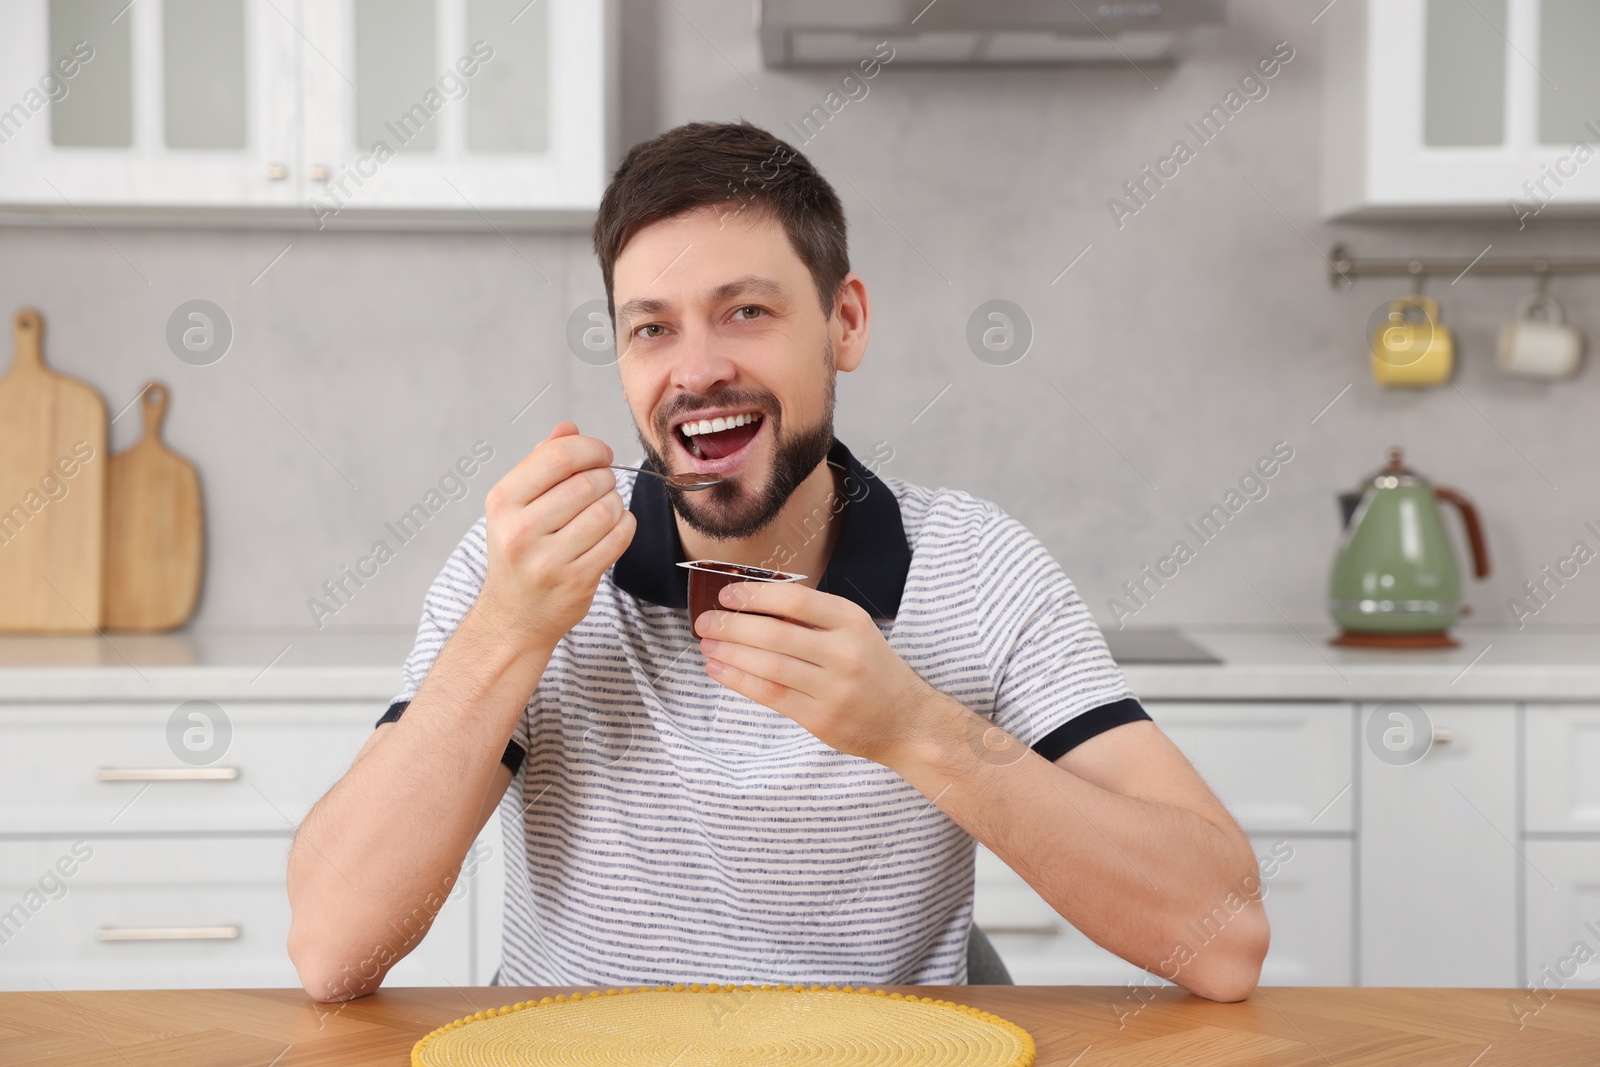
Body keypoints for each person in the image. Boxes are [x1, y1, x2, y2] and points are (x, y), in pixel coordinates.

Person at [286, 120, 1268, 1003]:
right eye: (652, 327)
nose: (696, 366)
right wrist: (506, 631)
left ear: (844, 323)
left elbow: (1224, 940)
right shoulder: (529, 567)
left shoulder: (976, 566)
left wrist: (913, 728)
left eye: (746, 310)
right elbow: (332, 949)